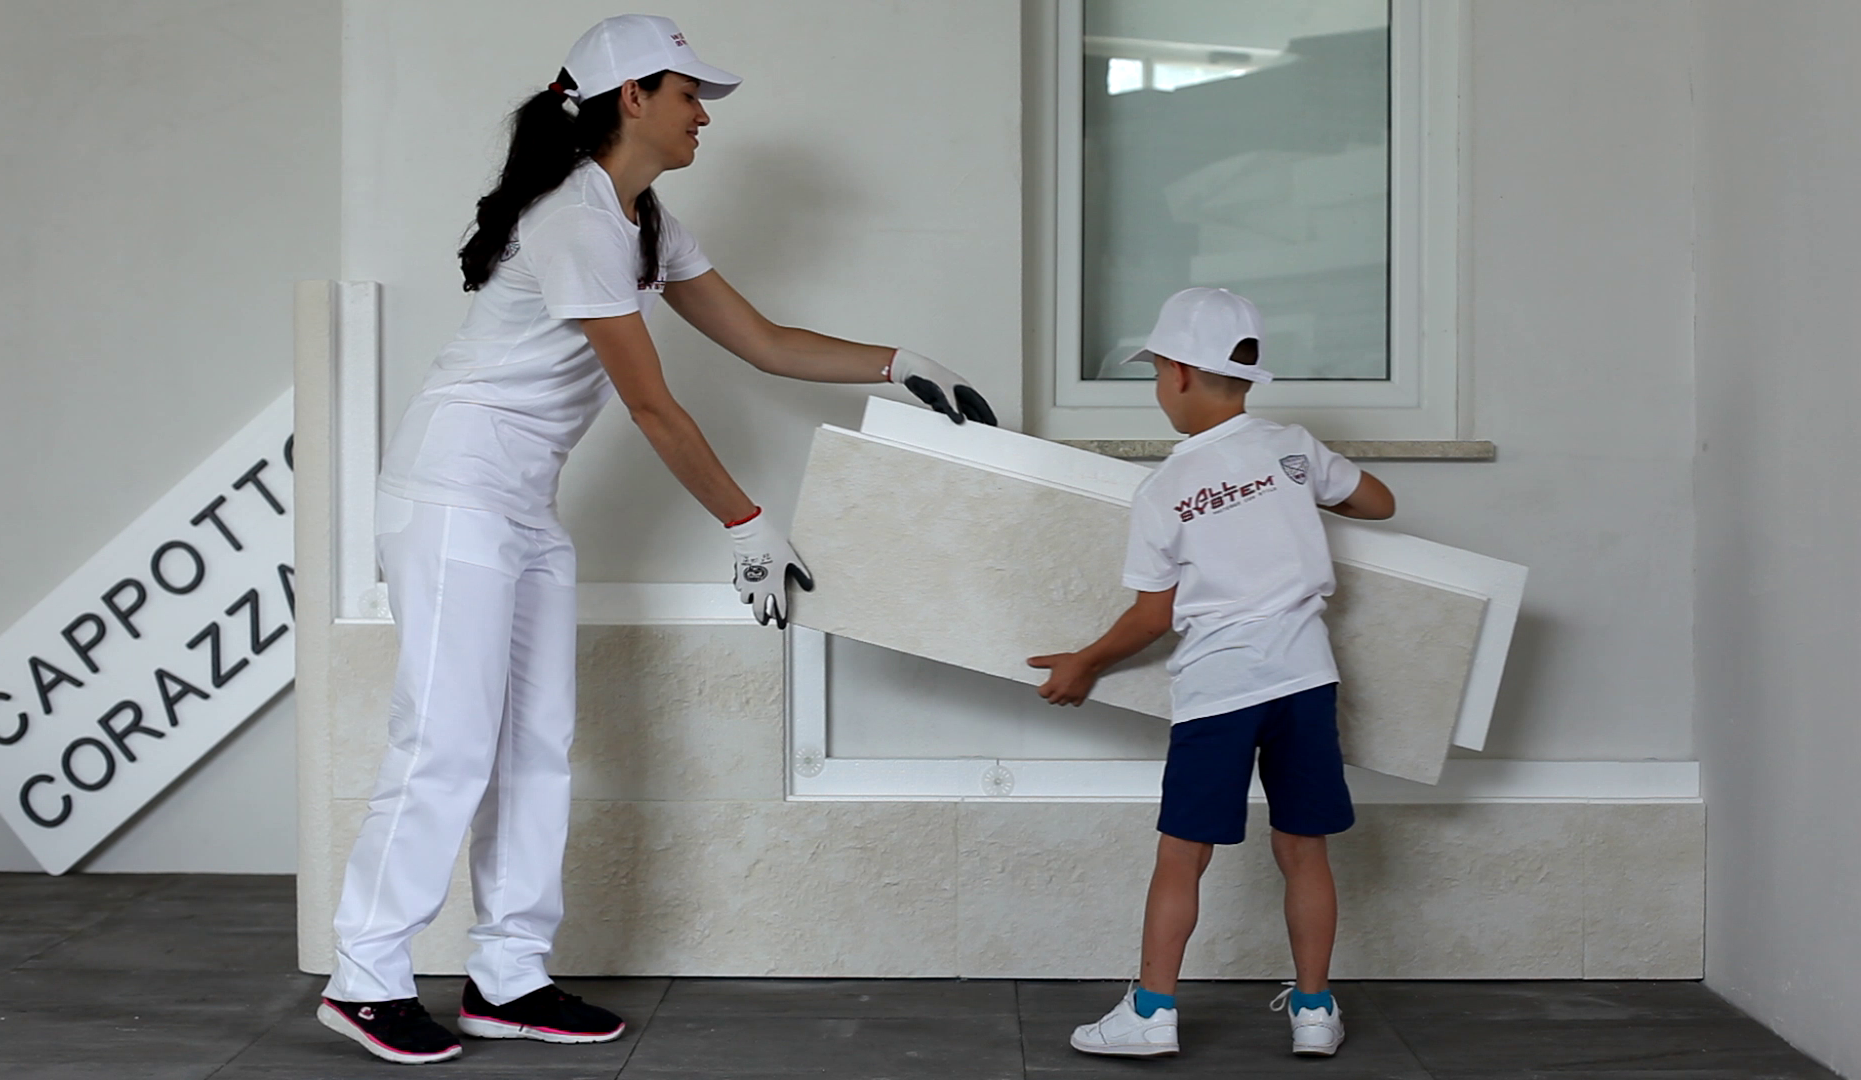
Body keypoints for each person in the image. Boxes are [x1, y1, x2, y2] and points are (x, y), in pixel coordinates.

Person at [316, 14, 996, 1066]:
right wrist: (747, 521)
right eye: (689, 94)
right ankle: (366, 975)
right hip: (452, 496)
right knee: (447, 739)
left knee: (538, 742)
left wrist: (902, 360)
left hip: (521, 505)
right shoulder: (575, 221)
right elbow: (653, 407)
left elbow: (762, 341)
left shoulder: (641, 220)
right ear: (630, 96)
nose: (705, 115)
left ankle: (509, 976)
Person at [1026, 287, 1393, 1060]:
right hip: (1303, 681)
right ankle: (1316, 1012)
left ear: (1182, 374)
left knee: (1182, 854)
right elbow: (1379, 502)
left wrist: (1083, 663)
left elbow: (1152, 617)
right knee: (1304, 847)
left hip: (1219, 691)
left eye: (1156, 370)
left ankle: (1152, 1012)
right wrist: (1297, 493)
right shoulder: (1293, 447)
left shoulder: (1163, 490)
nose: (1159, 387)